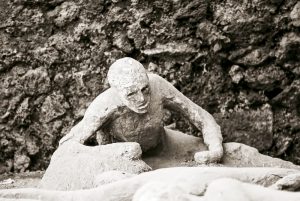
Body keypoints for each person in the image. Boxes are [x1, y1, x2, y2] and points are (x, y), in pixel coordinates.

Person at [59, 57, 223, 164]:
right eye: (131, 94)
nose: (142, 99)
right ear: (118, 92)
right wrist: (111, 153)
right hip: (121, 160)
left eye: (145, 89)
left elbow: (200, 115)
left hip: (163, 146)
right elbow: (68, 146)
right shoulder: (106, 104)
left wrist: (215, 148)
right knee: (132, 151)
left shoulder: (157, 85)